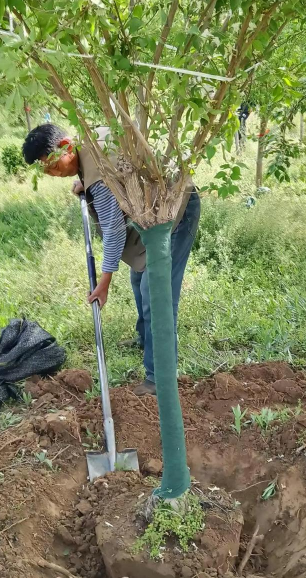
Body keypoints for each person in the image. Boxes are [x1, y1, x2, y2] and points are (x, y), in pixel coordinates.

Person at [22, 124, 200, 396]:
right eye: (47, 170)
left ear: (67, 145)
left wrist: (103, 283)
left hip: (175, 213)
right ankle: (145, 340)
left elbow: (114, 231)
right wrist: (85, 182)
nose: (53, 173)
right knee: (139, 277)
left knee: (156, 294)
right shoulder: (92, 140)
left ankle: (158, 377)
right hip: (151, 212)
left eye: (54, 165)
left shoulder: (99, 178)